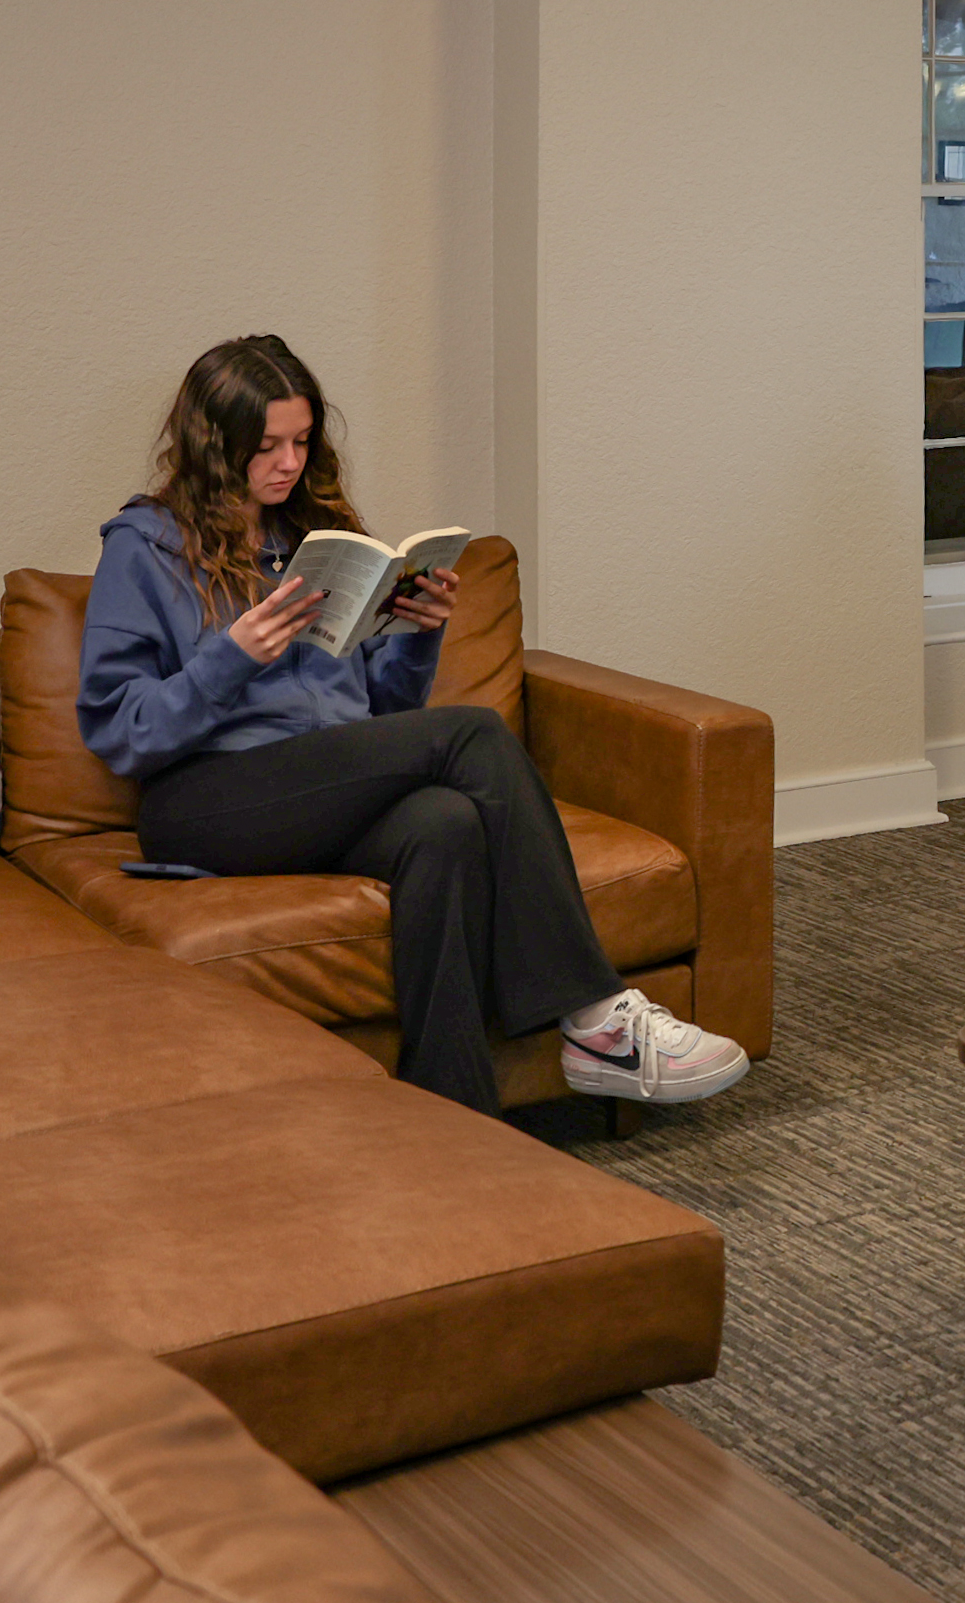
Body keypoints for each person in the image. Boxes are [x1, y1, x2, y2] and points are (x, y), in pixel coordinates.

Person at [77, 334, 747, 1115]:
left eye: (299, 442)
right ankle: (598, 1019)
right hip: (205, 803)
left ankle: (454, 1118)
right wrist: (232, 657)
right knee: (472, 734)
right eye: (264, 448)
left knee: (446, 822)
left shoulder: (315, 538)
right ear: (212, 446)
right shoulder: (145, 546)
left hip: (322, 786)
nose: (287, 464)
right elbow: (119, 728)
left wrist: (417, 633)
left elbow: (385, 724)